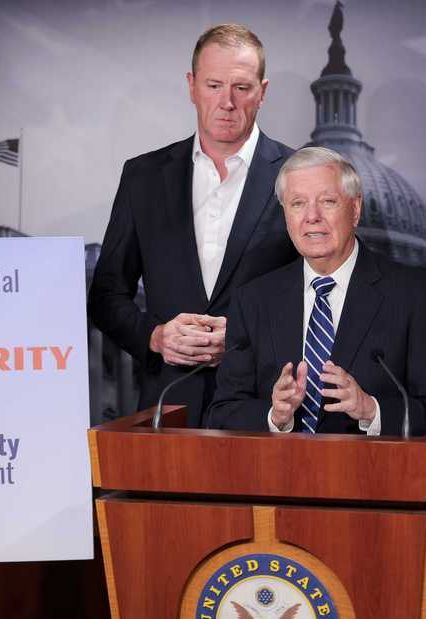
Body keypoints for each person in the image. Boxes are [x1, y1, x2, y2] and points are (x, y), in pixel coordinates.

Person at [87, 24, 298, 426]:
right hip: (168, 407)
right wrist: (155, 337)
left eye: (242, 87)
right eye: (214, 85)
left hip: (267, 412)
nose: (227, 102)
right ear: (191, 86)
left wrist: (243, 341)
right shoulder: (143, 177)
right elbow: (106, 296)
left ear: (263, 91)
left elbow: (324, 295)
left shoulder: (301, 176)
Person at [208, 146, 426, 436]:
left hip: (373, 476)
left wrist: (371, 410)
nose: (311, 216)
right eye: (298, 203)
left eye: (327, 201)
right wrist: (274, 416)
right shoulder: (253, 300)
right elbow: (223, 412)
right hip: (275, 476)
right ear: (285, 214)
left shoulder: (413, 297)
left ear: (355, 210)